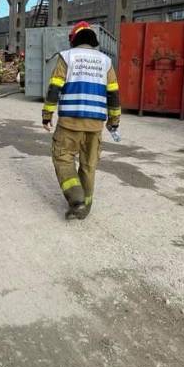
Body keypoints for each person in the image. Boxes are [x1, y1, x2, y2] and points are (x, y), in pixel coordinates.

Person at [41, 21, 121, 220]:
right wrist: (114, 120)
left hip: (70, 123)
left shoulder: (67, 57)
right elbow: (113, 94)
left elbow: (54, 88)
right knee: (88, 166)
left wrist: (47, 115)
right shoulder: (105, 61)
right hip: (95, 125)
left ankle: (76, 198)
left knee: (63, 158)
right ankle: (84, 208)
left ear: (74, 39)